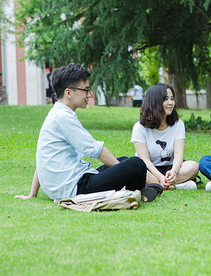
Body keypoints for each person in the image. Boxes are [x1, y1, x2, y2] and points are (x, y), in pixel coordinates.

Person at [15, 64, 159, 202]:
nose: (88, 95)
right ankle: (136, 191)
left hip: (69, 184)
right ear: (68, 92)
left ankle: (148, 186)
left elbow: (42, 158)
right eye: (85, 90)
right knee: (135, 164)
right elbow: (95, 150)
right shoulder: (63, 117)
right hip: (75, 188)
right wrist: (123, 174)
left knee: (124, 161)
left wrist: (32, 194)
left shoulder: (57, 113)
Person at [131, 83, 199, 190]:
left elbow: (178, 155)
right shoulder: (139, 127)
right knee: (135, 172)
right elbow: (144, 159)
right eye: (166, 99)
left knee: (193, 166)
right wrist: (159, 176)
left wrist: (174, 171)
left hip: (169, 168)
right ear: (155, 101)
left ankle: (162, 184)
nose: (170, 103)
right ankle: (174, 185)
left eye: (172, 99)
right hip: (149, 170)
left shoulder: (178, 124)